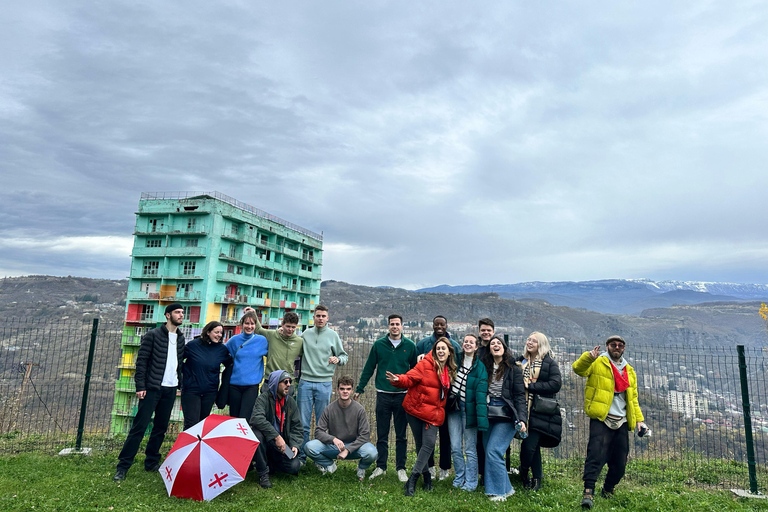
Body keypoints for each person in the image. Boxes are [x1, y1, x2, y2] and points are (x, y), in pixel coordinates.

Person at [113, 303, 186, 481]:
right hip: (152, 388)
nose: (181, 315)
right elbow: (142, 362)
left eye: (182, 313)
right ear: (168, 315)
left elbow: (179, 365)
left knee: (160, 428)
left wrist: (180, 384)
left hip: (170, 389)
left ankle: (151, 462)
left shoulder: (181, 338)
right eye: (177, 312)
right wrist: (140, 386)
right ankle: (123, 466)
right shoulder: (152, 335)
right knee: (139, 427)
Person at [573, 335, 646, 509]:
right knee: (595, 456)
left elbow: (633, 399)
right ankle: (588, 491)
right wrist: (588, 358)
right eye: (613, 344)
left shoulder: (629, 370)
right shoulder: (598, 362)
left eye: (620, 345)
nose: (617, 347)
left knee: (620, 462)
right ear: (607, 346)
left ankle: (608, 489)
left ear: (624, 349)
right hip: (601, 417)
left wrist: (639, 421)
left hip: (621, 420)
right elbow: (578, 369)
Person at [386, 338, 456, 496]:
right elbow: (410, 377)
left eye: (444, 348)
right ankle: (427, 478)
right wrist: (398, 380)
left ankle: (413, 478)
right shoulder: (425, 364)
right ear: (435, 350)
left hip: (433, 413)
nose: (441, 351)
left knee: (428, 444)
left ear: (449, 351)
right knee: (420, 445)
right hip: (416, 410)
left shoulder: (450, 370)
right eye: (438, 348)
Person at [354, 314, 417, 482]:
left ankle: (401, 468)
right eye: (392, 324)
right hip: (382, 394)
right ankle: (381, 466)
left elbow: (415, 372)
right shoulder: (379, 345)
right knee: (382, 434)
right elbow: (369, 367)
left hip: (402, 396)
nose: (394, 327)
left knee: (401, 435)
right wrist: (360, 388)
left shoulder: (410, 346)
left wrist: (415, 391)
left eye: (397, 324)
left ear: (402, 326)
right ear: (388, 326)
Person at [298, 305, 348, 463]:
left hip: (324, 383)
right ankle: (302, 456)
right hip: (305, 381)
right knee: (303, 423)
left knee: (321, 425)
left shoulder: (333, 336)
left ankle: (320, 458)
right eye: (318, 315)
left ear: (327, 318)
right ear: (313, 317)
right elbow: (294, 348)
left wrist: (338, 359)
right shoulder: (305, 334)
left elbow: (344, 356)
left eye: (323, 316)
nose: (320, 318)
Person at [304, 376, 378, 480]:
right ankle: (329, 465)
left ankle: (361, 468)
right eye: (342, 389)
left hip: (354, 447)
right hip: (334, 446)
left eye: (348, 389)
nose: (345, 392)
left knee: (372, 452)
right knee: (309, 447)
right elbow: (318, 432)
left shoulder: (359, 409)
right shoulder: (329, 409)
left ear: (352, 391)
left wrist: (348, 450)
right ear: (337, 390)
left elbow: (364, 436)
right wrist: (333, 439)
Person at [481, 335, 527, 502]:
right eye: (492, 343)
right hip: (487, 412)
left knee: (494, 451)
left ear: (504, 347)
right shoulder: (484, 367)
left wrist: (522, 419)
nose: (495, 345)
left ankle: (498, 493)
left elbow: (520, 396)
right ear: (489, 349)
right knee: (489, 451)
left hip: (506, 413)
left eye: (498, 343)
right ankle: (507, 488)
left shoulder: (513, 368)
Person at [515, 331, 562, 491]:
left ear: (540, 345)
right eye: (529, 339)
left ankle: (524, 473)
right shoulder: (521, 360)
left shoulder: (549, 362)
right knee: (532, 447)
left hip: (538, 410)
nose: (530, 343)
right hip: (522, 407)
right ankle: (536, 479)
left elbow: (555, 384)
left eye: (534, 341)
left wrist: (531, 386)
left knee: (529, 446)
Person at [416, 315, 461, 480]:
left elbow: (459, 369)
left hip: (447, 397)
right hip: (428, 397)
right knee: (428, 436)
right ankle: (430, 467)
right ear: (433, 326)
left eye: (442, 324)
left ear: (447, 325)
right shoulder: (423, 344)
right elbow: (415, 368)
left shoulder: (455, 346)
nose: (439, 326)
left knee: (446, 435)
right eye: (437, 324)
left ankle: (444, 467)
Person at [446, 333, 488, 491]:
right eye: (466, 341)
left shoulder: (480, 367)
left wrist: (480, 417)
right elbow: (439, 354)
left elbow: (482, 393)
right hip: (454, 408)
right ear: (462, 344)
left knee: (470, 448)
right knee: (455, 446)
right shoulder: (455, 359)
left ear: (476, 347)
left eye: (471, 342)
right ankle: (459, 477)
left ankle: (471, 481)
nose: (468, 344)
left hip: (470, 410)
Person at [249, 370, 303, 488]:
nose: (288, 384)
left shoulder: (291, 402)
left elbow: (297, 427)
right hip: (268, 441)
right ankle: (263, 473)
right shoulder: (262, 399)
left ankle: (269, 464)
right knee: (257, 434)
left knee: (294, 466)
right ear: (275, 384)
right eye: (285, 382)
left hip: (283, 445)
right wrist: (276, 436)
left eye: (289, 381)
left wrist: (295, 445)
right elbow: (256, 418)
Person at [180, 321, 233, 429]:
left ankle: (199, 446)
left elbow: (230, 365)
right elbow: (178, 360)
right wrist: (185, 378)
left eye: (221, 333)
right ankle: (187, 446)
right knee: (191, 425)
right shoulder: (193, 345)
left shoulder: (221, 350)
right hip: (191, 391)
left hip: (210, 392)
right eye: (216, 332)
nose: (219, 335)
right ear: (208, 332)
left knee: (202, 425)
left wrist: (223, 388)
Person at [225, 311, 269, 419]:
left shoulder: (262, 341)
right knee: (234, 418)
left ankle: (243, 436)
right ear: (242, 324)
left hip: (251, 386)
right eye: (247, 323)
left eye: (252, 324)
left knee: (245, 418)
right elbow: (222, 353)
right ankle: (233, 436)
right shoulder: (234, 340)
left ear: (256, 325)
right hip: (234, 385)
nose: (249, 326)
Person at [248, 309, 304, 378]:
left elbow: (306, 357)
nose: (290, 329)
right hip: (270, 379)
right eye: (288, 326)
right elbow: (259, 330)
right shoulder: (272, 335)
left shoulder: (299, 341)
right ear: (282, 324)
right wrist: (253, 313)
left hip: (288, 381)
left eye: (293, 327)